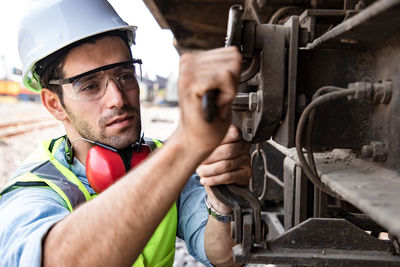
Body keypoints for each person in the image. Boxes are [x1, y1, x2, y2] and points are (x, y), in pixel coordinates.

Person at [0, 0, 251, 266]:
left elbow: (224, 256)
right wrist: (186, 144)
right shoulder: (32, 189)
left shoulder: (161, 159)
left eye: (125, 76)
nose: (117, 99)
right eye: (89, 86)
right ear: (54, 104)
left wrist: (221, 196)